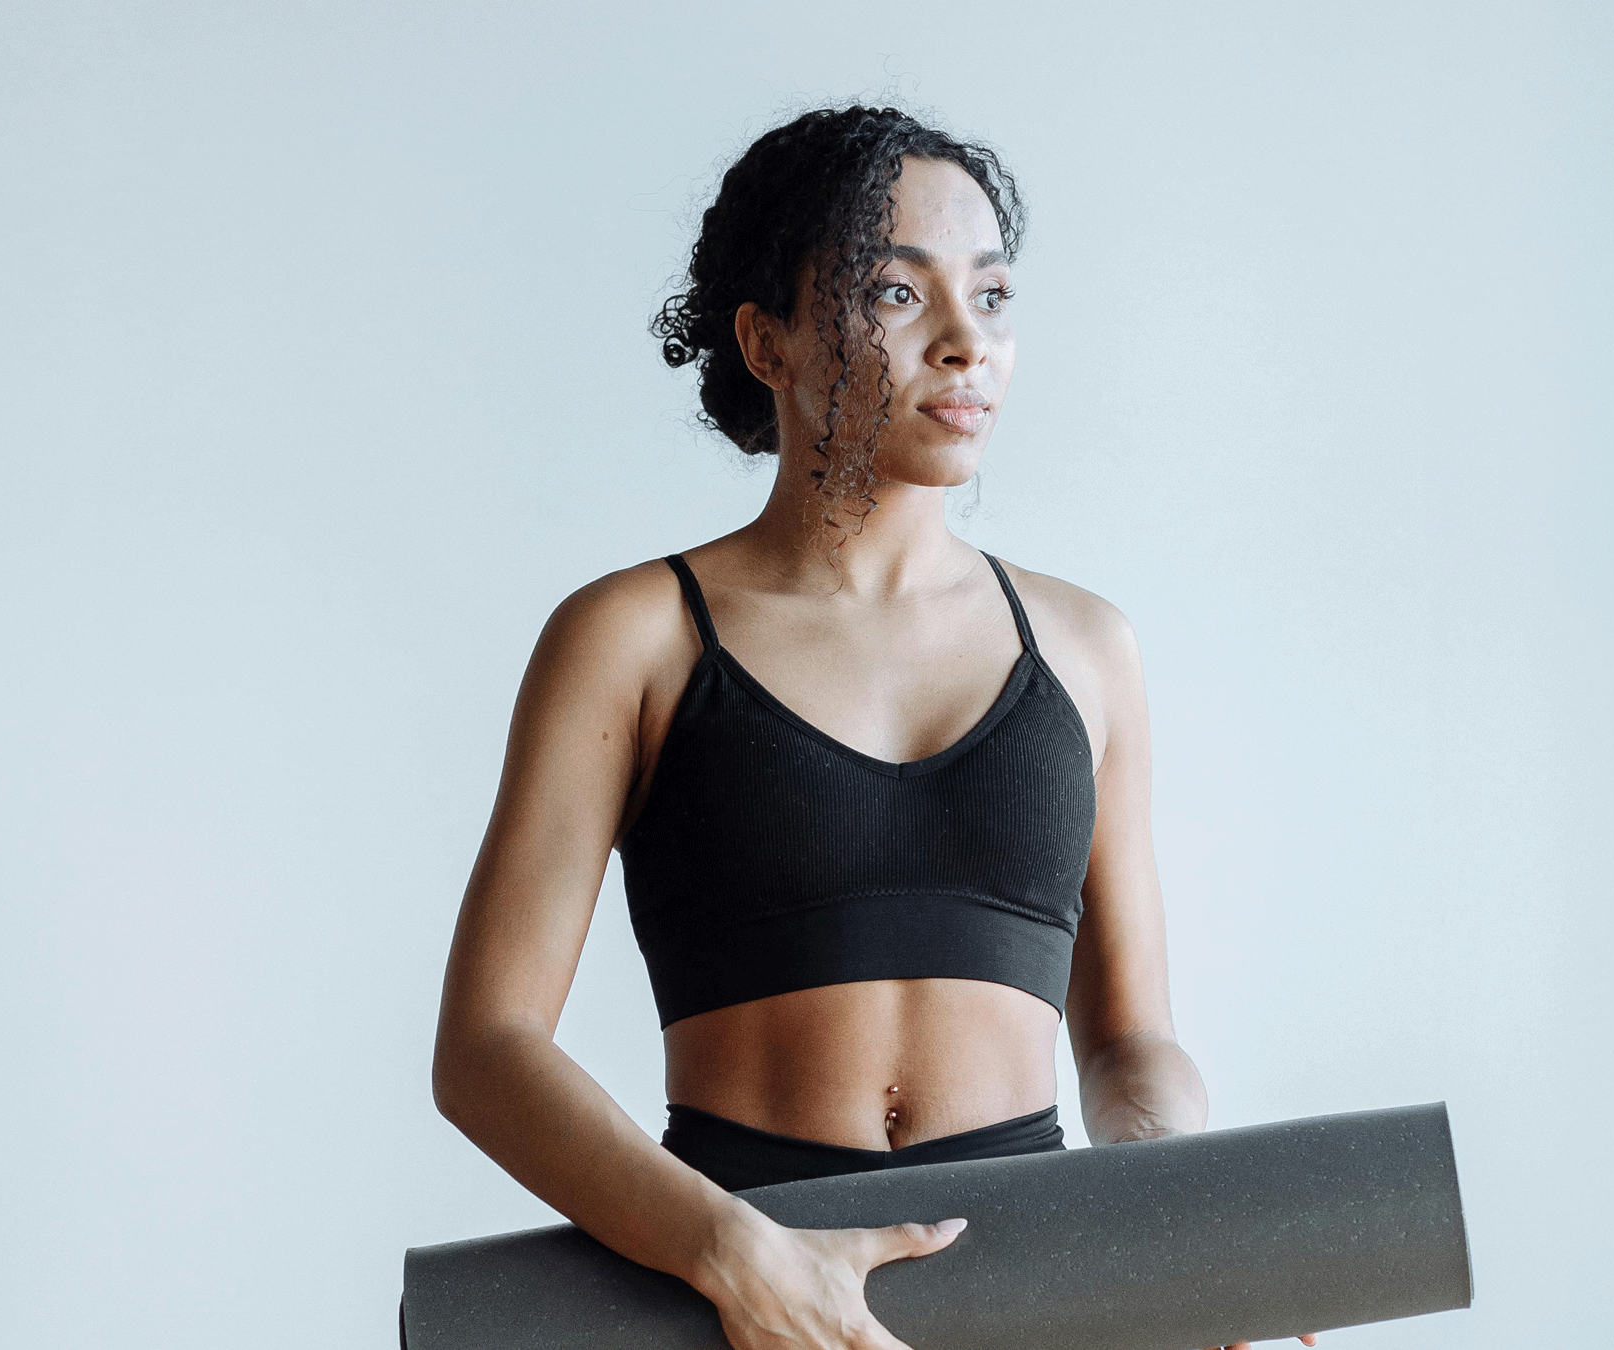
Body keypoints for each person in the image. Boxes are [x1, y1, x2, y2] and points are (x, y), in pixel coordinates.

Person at [431, 105, 1315, 1350]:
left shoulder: (1087, 648)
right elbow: (485, 1050)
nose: (967, 343)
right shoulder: (634, 637)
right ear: (768, 340)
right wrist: (732, 1253)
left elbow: (1128, 1041)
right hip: (738, 1304)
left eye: (994, 295)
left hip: (1044, 1300)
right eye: (898, 294)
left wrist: (1186, 1231)